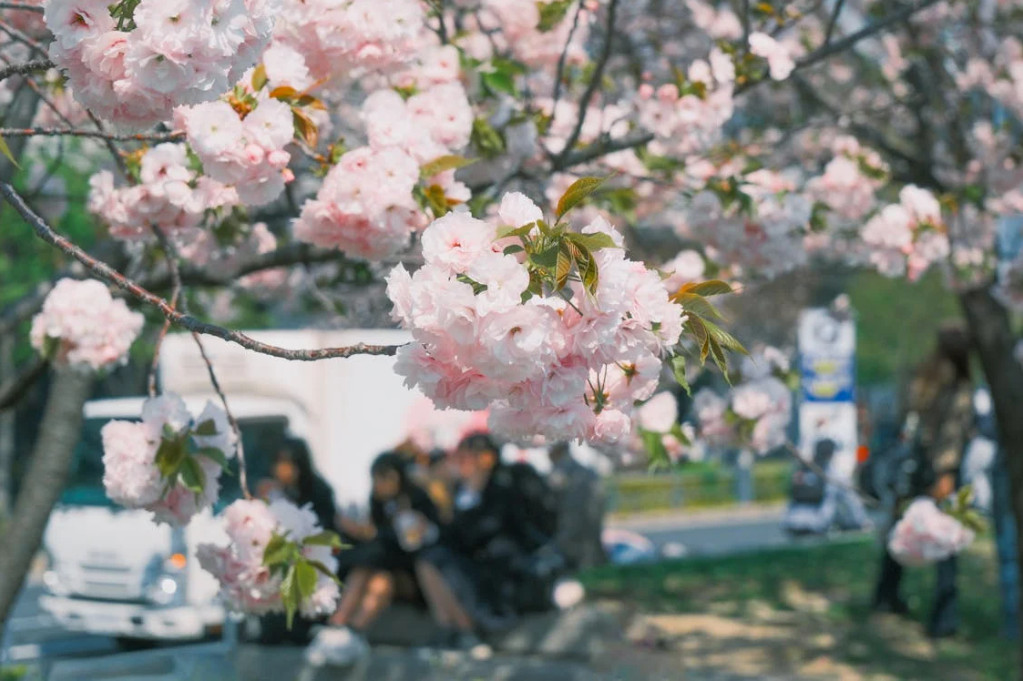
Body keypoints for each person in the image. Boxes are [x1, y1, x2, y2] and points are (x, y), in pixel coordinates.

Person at [873, 323, 975, 638]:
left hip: (913, 465)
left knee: (902, 528)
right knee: (947, 540)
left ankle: (885, 596)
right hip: (941, 469)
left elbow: (907, 415)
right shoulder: (957, 383)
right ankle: (944, 618)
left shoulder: (924, 375)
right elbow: (952, 434)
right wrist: (946, 473)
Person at [415, 433, 553, 650]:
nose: (459, 464)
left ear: (485, 458)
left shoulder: (504, 485)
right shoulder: (462, 491)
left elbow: (485, 531)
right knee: (428, 560)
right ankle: (453, 628)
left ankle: (467, 630)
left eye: (465, 458)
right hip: (475, 563)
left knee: (436, 560)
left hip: (503, 570)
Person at [327, 452, 440, 647]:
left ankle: (349, 628)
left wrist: (372, 534)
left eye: (384, 478)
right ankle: (342, 625)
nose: (379, 484)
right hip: (385, 568)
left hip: (415, 573)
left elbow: (411, 544)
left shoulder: (416, 499)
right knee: (371, 575)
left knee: (378, 576)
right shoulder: (378, 502)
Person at [255, 437, 339, 643]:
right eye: (279, 463)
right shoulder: (275, 490)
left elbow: (322, 531)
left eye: (288, 463)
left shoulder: (319, 491)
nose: (282, 469)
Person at [546, 442, 606, 571]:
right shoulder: (588, 471)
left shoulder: (559, 472)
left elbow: (550, 502)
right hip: (591, 523)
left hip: (569, 528)